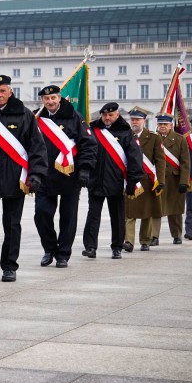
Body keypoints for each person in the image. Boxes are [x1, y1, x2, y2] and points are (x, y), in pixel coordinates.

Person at [0, 74, 46, 282]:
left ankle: (9, 266)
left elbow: (37, 147)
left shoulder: (24, 115)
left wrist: (36, 174)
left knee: (12, 224)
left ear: (10, 91)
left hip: (15, 178)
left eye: (2, 91)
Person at [34, 85, 97, 268]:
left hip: (70, 175)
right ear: (42, 101)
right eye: (47, 99)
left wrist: (85, 169)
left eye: (53, 98)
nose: (50, 101)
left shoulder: (74, 116)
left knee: (68, 218)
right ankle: (49, 249)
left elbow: (88, 144)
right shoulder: (36, 118)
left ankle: (63, 254)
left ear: (59, 98)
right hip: (44, 175)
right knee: (42, 215)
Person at [81, 102, 141, 260]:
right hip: (96, 180)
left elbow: (135, 159)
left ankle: (117, 247)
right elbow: (86, 150)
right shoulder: (94, 129)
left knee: (117, 217)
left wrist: (132, 182)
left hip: (116, 182)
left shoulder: (126, 132)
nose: (107, 118)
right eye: (104, 115)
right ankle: (90, 247)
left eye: (111, 115)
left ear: (117, 115)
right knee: (93, 216)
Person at [124, 106, 166, 251]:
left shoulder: (154, 137)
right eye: (132, 119)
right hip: (130, 180)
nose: (134, 122)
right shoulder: (126, 135)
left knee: (147, 213)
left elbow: (160, 160)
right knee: (129, 212)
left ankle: (145, 240)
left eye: (137, 119)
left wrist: (161, 180)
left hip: (148, 180)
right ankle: (128, 241)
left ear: (144, 121)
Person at [156, 113, 191, 244]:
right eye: (160, 124)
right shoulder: (153, 138)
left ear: (171, 125)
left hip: (174, 179)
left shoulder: (180, 139)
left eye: (165, 124)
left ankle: (177, 235)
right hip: (157, 180)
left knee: (175, 209)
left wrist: (184, 182)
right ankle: (153, 236)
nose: (162, 126)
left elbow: (185, 163)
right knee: (156, 209)